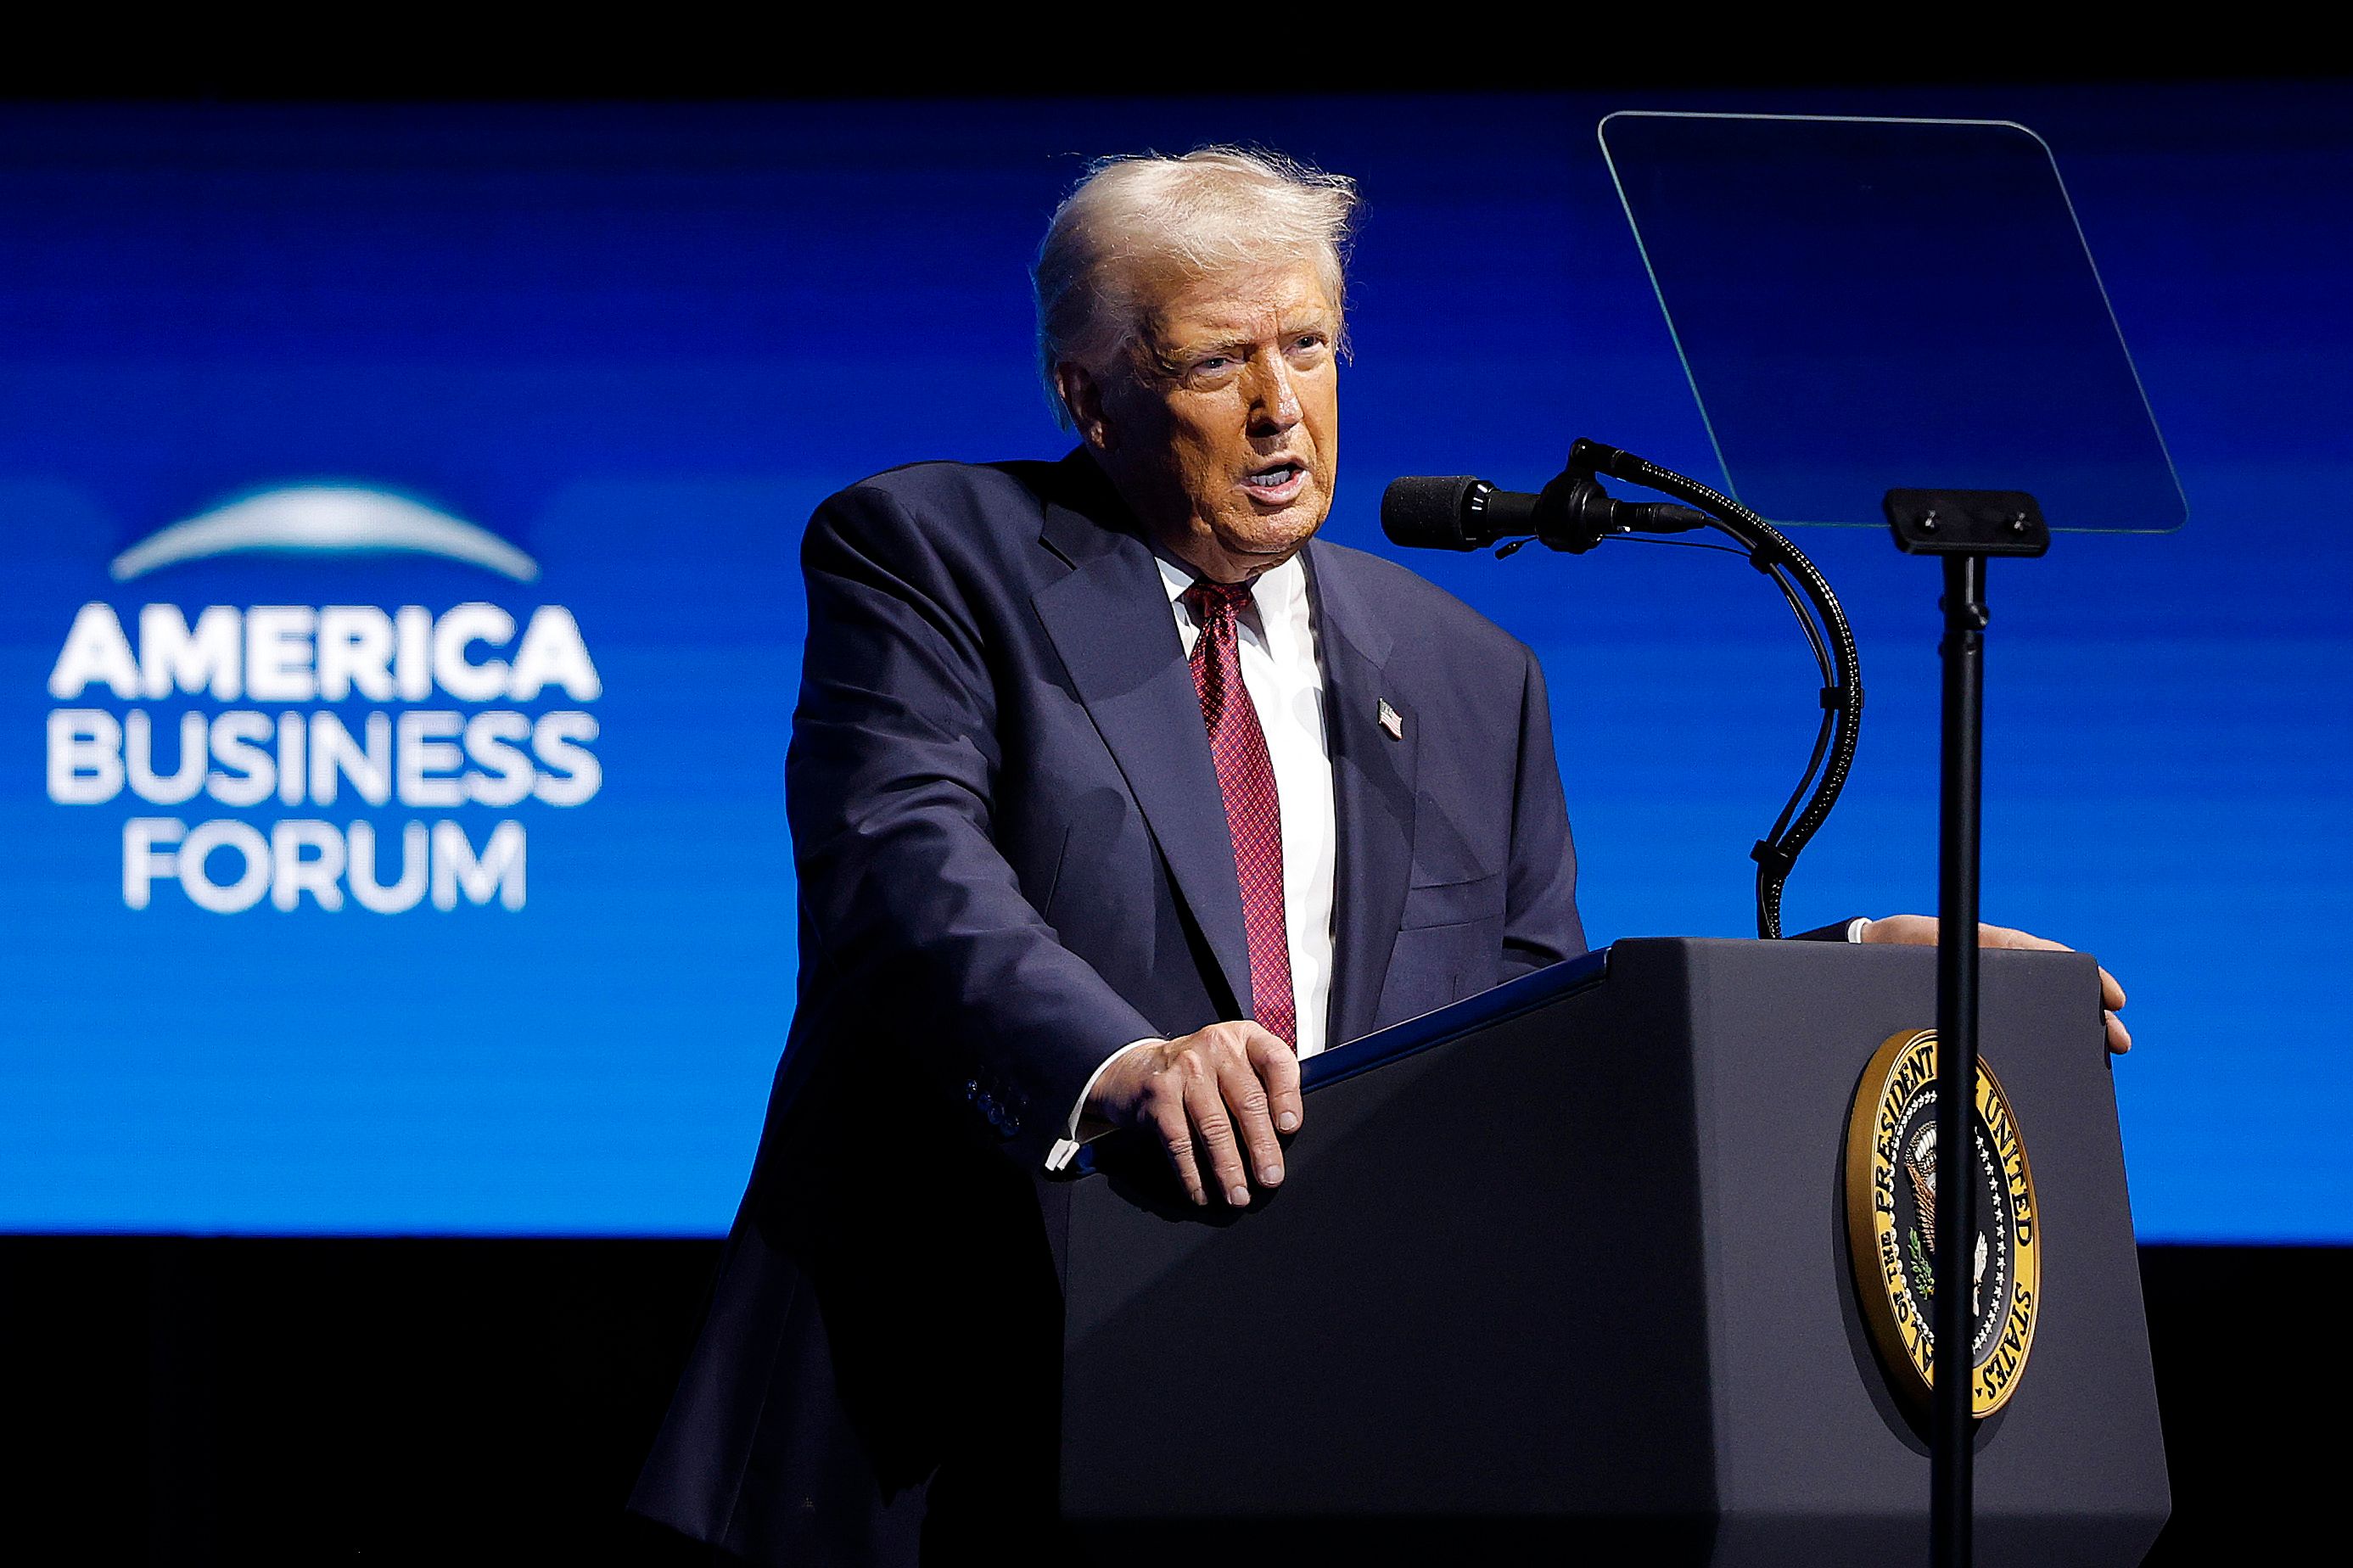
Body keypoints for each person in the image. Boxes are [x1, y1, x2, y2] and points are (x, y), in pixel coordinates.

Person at [630, 147, 2130, 1566]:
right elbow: (901, 878)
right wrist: (1121, 1065)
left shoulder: (1467, 671)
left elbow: (1537, 1045)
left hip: (1308, 1438)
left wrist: (1843, 984)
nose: (1282, 408)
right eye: (1219, 363)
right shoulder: (930, 550)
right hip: (958, 1421)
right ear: (1088, 397)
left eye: (1311, 347)